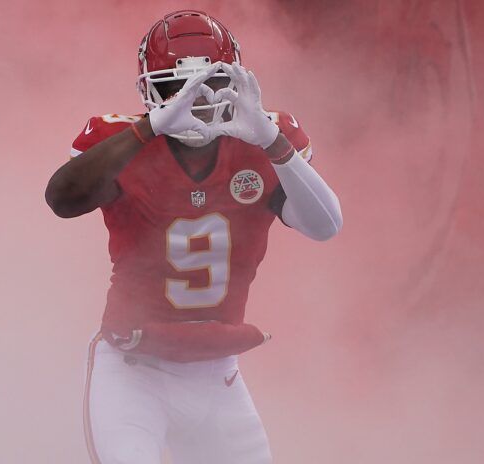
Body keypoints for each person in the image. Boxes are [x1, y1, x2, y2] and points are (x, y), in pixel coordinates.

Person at [46, 10, 342, 464]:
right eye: (173, 88)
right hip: (133, 373)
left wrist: (271, 140)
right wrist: (150, 128)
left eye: (208, 86)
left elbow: (326, 226)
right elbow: (61, 199)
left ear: (235, 83)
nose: (194, 102)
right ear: (149, 89)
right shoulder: (126, 143)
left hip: (219, 377)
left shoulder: (262, 143)